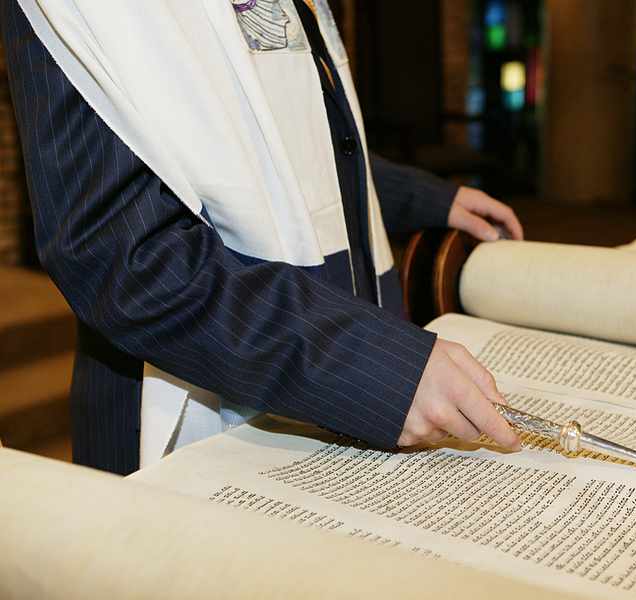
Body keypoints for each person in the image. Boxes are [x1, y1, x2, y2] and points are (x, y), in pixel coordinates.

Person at [1, 0, 523, 475]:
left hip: (334, 358)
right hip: (195, 395)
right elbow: (124, 261)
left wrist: (428, 199)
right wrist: (372, 366)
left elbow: (292, 141)